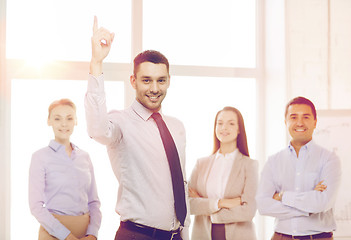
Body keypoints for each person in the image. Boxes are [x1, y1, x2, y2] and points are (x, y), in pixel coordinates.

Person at [85, 16, 189, 240]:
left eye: (161, 80)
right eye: (146, 80)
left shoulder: (177, 127)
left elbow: (180, 185)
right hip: (137, 235)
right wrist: (96, 63)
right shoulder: (121, 122)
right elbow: (96, 129)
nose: (154, 88)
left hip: (176, 235)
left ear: (169, 81)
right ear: (133, 81)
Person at [256, 96, 341, 240]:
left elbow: (322, 203)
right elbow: (263, 205)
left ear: (315, 122)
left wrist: (283, 196)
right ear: (286, 122)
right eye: (294, 117)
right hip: (280, 237)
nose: (299, 123)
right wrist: (307, 207)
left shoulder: (329, 159)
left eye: (306, 117)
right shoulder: (273, 161)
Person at [29, 98, 101, 240]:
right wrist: (66, 236)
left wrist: (93, 234)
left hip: (85, 234)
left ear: (76, 121)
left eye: (69, 118)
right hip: (52, 233)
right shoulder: (40, 157)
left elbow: (94, 202)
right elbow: (36, 206)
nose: (64, 124)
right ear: (49, 121)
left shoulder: (84, 157)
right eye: (57, 119)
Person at [188, 106, 258, 240]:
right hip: (203, 235)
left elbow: (248, 211)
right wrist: (221, 203)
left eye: (231, 123)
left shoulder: (250, 165)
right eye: (220, 123)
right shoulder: (200, 164)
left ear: (239, 129)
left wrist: (208, 209)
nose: (224, 128)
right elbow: (188, 204)